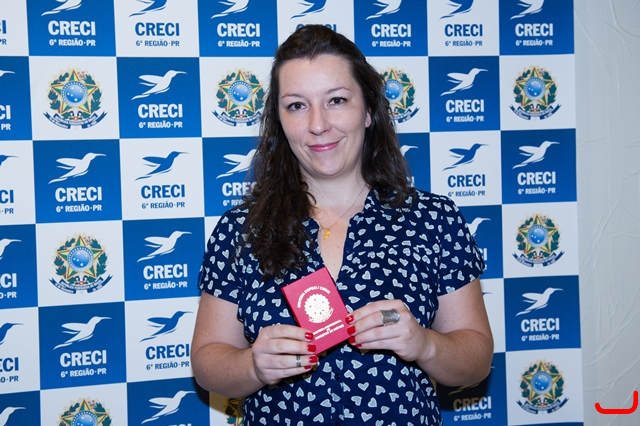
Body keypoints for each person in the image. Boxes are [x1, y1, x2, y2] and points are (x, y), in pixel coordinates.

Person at [192, 24, 493, 425]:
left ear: (368, 111)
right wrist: (252, 366)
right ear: (279, 119)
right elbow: (208, 361)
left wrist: (425, 345)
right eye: (296, 105)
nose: (318, 124)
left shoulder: (432, 219)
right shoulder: (242, 229)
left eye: (336, 100)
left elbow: (476, 360)